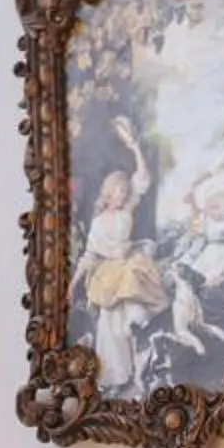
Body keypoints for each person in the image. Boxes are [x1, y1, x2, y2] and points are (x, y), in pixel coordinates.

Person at [69, 121, 166, 395]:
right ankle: (114, 377)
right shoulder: (99, 223)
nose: (124, 195)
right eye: (120, 191)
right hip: (109, 275)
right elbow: (89, 255)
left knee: (130, 321)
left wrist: (134, 147)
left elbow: (143, 179)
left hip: (129, 266)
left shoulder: (127, 212)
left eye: (125, 191)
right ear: (109, 192)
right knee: (109, 327)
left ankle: (139, 372)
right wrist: (72, 284)